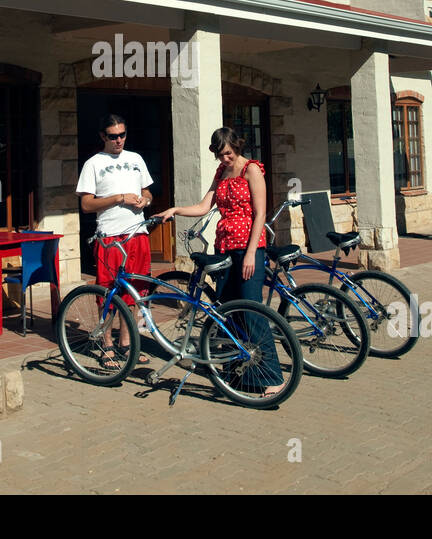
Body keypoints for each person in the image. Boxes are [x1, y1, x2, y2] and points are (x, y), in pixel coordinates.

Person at [159, 127, 283, 397]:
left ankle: (273, 376)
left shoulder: (251, 169)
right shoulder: (221, 173)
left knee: (251, 310)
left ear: (236, 147)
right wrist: (177, 209)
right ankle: (238, 373)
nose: (224, 159)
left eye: (227, 153)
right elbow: (205, 206)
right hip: (225, 247)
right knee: (227, 311)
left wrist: (251, 253)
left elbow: (261, 214)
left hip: (249, 248)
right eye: (219, 155)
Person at [75, 114, 153, 363]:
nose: (118, 140)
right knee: (108, 292)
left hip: (137, 232)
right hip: (110, 235)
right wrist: (119, 198)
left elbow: (147, 189)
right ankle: (107, 344)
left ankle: (127, 343)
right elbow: (86, 204)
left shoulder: (136, 159)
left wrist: (146, 199)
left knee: (133, 291)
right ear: (103, 136)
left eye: (122, 135)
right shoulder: (94, 163)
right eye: (113, 136)